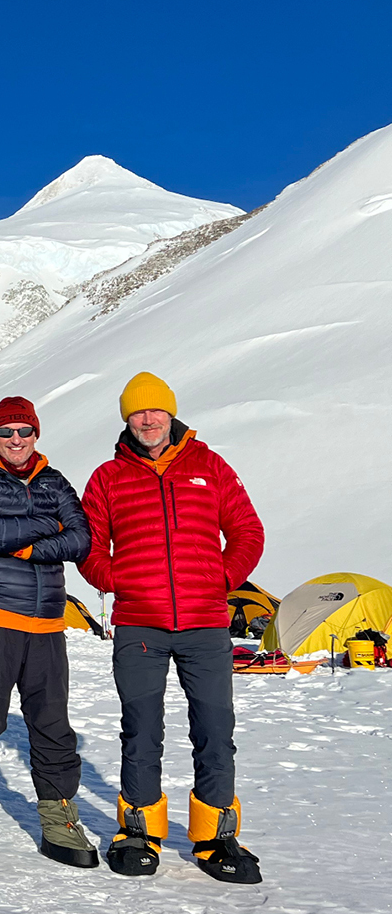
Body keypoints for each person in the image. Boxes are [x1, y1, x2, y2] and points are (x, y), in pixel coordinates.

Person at [80, 372, 265, 884]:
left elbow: (248, 530)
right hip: (140, 623)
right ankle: (138, 832)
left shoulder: (210, 466)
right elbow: (90, 548)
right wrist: (117, 579)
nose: (147, 419)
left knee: (214, 729)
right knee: (141, 730)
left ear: (171, 414)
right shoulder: (108, 477)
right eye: (137, 412)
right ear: (127, 419)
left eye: (155, 410)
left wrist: (223, 577)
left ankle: (215, 838)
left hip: (205, 624)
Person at [0, 396, 95, 871]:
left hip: (48, 623)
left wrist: (26, 547)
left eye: (24, 431)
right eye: (7, 431)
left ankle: (58, 818)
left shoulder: (54, 480)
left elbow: (82, 538)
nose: (16, 440)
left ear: (36, 435)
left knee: (52, 727)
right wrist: (47, 525)